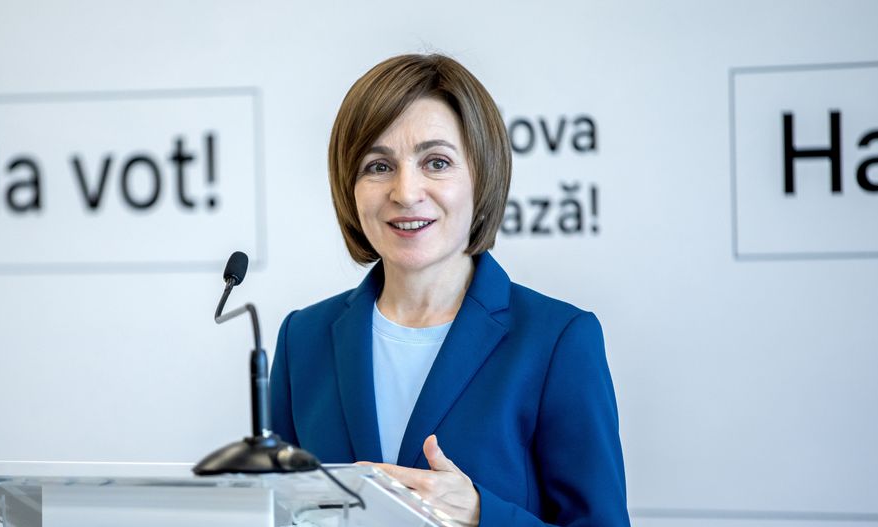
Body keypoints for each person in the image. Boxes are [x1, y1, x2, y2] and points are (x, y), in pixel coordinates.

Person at [270, 53, 629, 527]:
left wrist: (483, 516)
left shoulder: (559, 340)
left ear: (481, 176)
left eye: (436, 162)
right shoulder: (302, 338)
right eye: (378, 166)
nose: (405, 192)